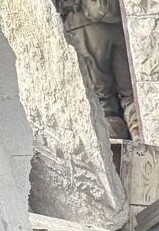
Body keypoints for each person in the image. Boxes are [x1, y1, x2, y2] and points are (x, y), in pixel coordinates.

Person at [57, 0, 139, 140]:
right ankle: (140, 137)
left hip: (82, 27)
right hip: (118, 20)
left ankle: (116, 145)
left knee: (103, 102)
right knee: (132, 95)